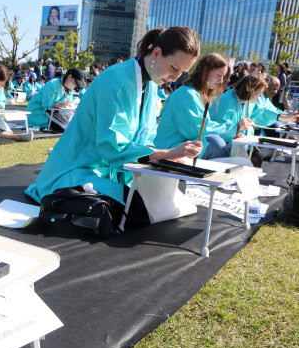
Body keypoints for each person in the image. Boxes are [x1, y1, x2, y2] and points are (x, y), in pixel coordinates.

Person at [25, 27, 202, 229]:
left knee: (171, 202)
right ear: (156, 53)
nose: (176, 77)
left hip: (114, 170)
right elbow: (111, 146)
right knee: (137, 210)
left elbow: (144, 139)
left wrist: (170, 157)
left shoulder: (151, 85)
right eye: (174, 67)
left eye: (182, 72)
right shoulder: (116, 79)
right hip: (79, 168)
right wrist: (164, 153)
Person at [155, 53, 253, 160]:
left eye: (223, 77)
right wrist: (235, 128)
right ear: (205, 71)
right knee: (215, 143)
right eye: (219, 75)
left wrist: (232, 131)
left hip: (180, 145)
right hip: (170, 148)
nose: (220, 81)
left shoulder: (194, 94)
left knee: (221, 144)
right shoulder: (187, 94)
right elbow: (197, 130)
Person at [210, 74, 268, 141]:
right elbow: (218, 127)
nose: (260, 96)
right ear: (250, 91)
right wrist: (237, 128)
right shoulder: (226, 100)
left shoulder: (246, 101)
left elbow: (261, 112)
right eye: (259, 93)